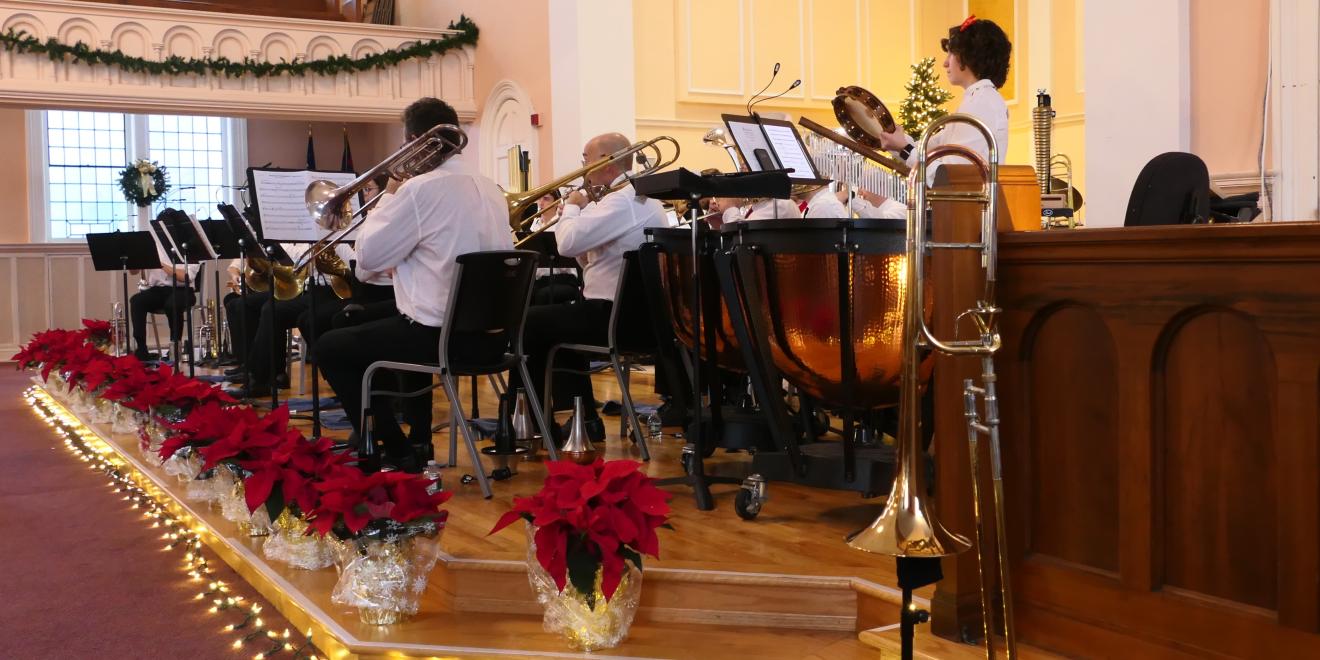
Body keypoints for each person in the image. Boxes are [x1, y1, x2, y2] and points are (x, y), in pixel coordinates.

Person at [316, 97, 511, 471]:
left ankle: (396, 448)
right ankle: (396, 438)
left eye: (406, 144)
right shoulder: (490, 188)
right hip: (493, 338)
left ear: (417, 140)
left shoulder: (416, 191)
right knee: (358, 326)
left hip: (440, 337)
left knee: (331, 346)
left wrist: (388, 196)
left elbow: (367, 261)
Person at [512, 132, 668, 442]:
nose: (582, 167)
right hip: (632, 315)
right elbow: (590, 263)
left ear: (607, 163)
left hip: (612, 317)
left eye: (585, 159)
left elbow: (567, 243)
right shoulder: (643, 198)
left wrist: (571, 207)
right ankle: (584, 417)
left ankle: (530, 424)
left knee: (527, 322)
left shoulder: (620, 201)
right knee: (558, 323)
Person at [870, 15, 1012, 217]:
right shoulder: (976, 99)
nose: (945, 63)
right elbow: (932, 147)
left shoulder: (983, 102)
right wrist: (897, 143)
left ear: (968, 56)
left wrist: (904, 149)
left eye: (951, 54)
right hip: (962, 214)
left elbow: (951, 176)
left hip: (967, 219)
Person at [129, 210, 201, 361]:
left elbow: (186, 277)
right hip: (158, 291)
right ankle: (141, 349)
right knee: (137, 301)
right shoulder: (154, 244)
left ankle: (175, 348)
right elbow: (133, 272)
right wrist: (135, 260)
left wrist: (160, 264)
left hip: (183, 291)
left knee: (172, 304)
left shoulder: (189, 246)